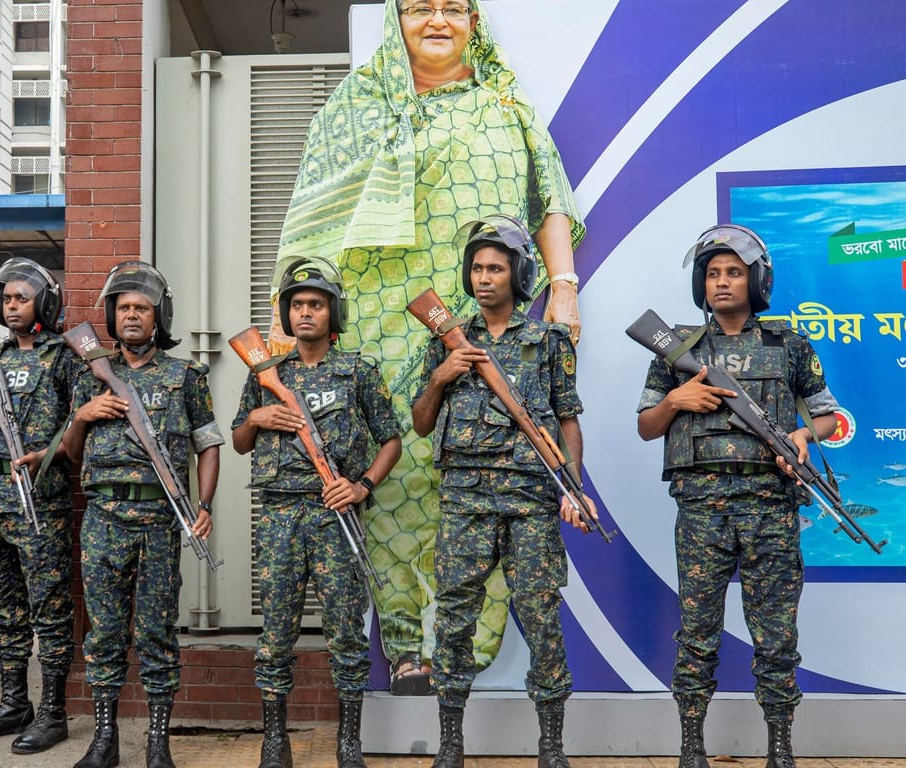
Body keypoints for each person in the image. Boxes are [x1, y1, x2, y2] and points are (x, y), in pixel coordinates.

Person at [272, 0, 587, 695]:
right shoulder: (353, 108)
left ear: (474, 23)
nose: (437, 20)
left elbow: (549, 201)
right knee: (398, 473)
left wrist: (562, 288)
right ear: (396, 21)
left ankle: (467, 641)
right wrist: (288, 323)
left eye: (453, 8)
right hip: (381, 326)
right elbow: (308, 218)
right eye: (420, 8)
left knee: (492, 473)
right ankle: (409, 641)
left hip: (488, 325)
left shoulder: (505, 105)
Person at [636, 225, 838, 768]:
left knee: (776, 635)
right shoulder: (676, 349)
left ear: (756, 279)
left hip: (770, 510)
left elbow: (826, 415)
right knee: (697, 633)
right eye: (713, 273)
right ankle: (690, 748)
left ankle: (780, 747)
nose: (722, 282)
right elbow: (647, 427)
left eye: (734, 272)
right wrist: (678, 397)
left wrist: (800, 436)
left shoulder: (789, 344)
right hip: (702, 513)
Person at [410, 216, 590, 768]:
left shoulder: (548, 340)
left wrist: (574, 489)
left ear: (519, 274)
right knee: (456, 617)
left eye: (497, 268)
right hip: (464, 500)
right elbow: (419, 424)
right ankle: (450, 743)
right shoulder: (444, 340)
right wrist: (443, 375)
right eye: (478, 268)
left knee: (540, 615)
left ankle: (552, 745)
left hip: (532, 501)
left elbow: (567, 421)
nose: (484, 277)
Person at [232, 258, 402, 768]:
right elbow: (240, 440)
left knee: (346, 631)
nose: (306, 313)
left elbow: (391, 440)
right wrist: (259, 416)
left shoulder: (358, 372)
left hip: (336, 518)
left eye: (317, 304)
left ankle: (348, 741)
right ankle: (275, 741)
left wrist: (362, 486)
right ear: (286, 315)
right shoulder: (265, 373)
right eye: (298, 305)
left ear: (334, 313)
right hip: (280, 515)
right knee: (276, 633)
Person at [62, 261, 224, 768]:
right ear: (112, 315)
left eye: (143, 309)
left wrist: (203, 505)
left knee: (156, 631)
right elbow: (69, 453)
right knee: (104, 632)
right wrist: (83, 416)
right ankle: (104, 739)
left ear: (159, 318)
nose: (132, 315)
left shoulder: (185, 376)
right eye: (124, 308)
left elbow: (208, 445)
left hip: (159, 520)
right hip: (104, 519)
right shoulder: (88, 375)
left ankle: (158, 742)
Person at [0, 258, 81, 755]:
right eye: (6, 298)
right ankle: (13, 702)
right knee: (4, 607)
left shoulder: (63, 357)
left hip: (37, 499)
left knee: (48, 607)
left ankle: (52, 712)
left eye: (21, 298)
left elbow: (80, 428)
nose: (11, 305)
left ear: (44, 304)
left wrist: (48, 453)